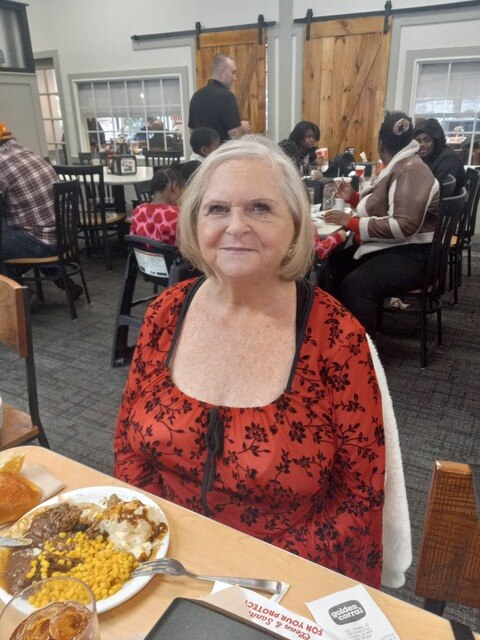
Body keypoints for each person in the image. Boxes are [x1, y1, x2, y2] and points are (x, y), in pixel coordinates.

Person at [114, 135, 387, 588]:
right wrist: (149, 539)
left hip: (281, 578)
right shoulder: (166, 313)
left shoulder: (336, 337)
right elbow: (128, 446)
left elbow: (359, 497)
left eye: (260, 208)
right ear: (195, 222)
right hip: (165, 561)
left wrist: (257, 582)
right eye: (217, 209)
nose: (235, 226)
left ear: (296, 225)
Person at [324, 111, 439, 336]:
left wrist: (351, 222)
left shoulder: (411, 169)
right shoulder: (405, 164)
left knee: (355, 285)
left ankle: (364, 348)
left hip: (416, 257)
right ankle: (336, 334)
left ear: (382, 144)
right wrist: (354, 198)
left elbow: (404, 225)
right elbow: (387, 205)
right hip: (406, 248)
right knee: (334, 264)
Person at [0, 122, 83, 299]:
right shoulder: (27, 153)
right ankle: (65, 283)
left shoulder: (1, 162)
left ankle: (17, 297)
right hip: (63, 235)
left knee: (12, 237)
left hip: (41, 242)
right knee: (17, 231)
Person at [188, 54, 250, 142]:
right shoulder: (227, 96)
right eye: (233, 72)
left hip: (201, 150)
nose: (235, 78)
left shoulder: (196, 96)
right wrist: (242, 128)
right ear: (221, 72)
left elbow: (192, 131)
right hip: (222, 150)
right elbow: (235, 134)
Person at [130, 168, 184, 245]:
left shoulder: (138, 211)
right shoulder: (178, 214)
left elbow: (133, 240)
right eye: (182, 191)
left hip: (141, 253)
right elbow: (187, 245)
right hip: (170, 253)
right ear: (175, 187)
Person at [413, 118, 466, 194]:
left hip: (443, 200)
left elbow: (438, 191)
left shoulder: (449, 159)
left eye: (427, 140)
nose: (422, 144)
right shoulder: (431, 157)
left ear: (436, 140)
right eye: (418, 141)